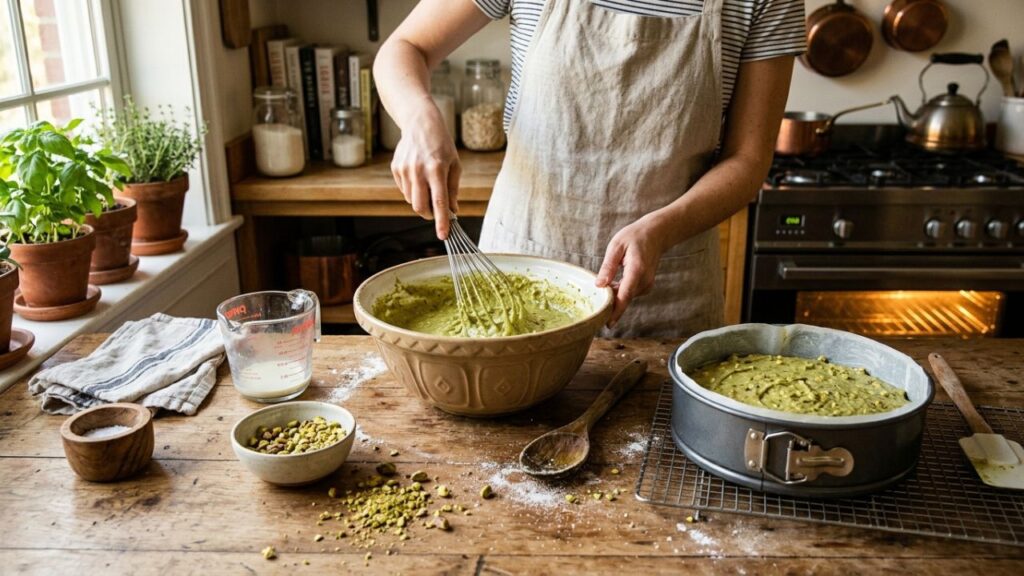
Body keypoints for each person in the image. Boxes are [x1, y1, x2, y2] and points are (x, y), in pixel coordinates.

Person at [374, 0, 806, 338]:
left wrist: (659, 230)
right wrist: (419, 118)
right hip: (522, 263)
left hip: (665, 284)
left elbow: (748, 160)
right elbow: (404, 49)